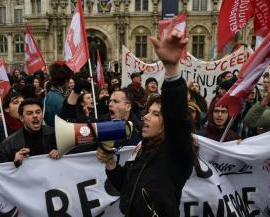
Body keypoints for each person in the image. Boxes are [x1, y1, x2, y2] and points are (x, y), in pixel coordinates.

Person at [96, 30, 194, 216]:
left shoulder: (176, 152)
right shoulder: (144, 149)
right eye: (147, 112)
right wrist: (110, 163)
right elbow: (126, 185)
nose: (145, 117)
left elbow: (178, 120)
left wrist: (172, 70)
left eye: (155, 114)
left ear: (168, 123)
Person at [0, 98, 58, 166]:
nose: (35, 116)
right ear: (22, 118)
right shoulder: (8, 145)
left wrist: (61, 153)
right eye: (29, 113)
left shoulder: (55, 135)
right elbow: (2, 170)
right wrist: (13, 162)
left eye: (38, 112)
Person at [0, 91, 24, 162]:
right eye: (16, 102)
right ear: (7, 109)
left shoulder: (31, 126)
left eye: (23, 103)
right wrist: (11, 158)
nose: (21, 105)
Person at [43, 61, 73, 127]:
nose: (69, 85)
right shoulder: (59, 100)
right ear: (65, 80)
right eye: (69, 80)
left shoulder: (50, 94)